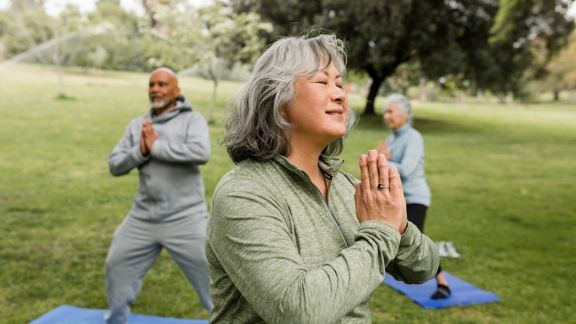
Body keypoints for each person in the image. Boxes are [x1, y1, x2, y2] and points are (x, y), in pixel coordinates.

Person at [206, 34, 439, 323]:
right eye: (322, 81)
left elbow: (424, 267)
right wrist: (380, 232)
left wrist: (399, 225)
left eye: (340, 83)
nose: (340, 94)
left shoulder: (348, 188)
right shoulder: (244, 193)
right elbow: (298, 309)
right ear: (278, 100)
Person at [104, 67, 213, 324]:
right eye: (152, 85)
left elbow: (201, 152)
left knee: (213, 278)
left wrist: (156, 146)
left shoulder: (192, 120)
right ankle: (116, 320)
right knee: (116, 264)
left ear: (177, 90)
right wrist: (140, 151)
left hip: (186, 217)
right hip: (142, 217)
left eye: (163, 84)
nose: (156, 89)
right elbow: (115, 165)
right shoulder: (137, 126)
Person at [378, 93, 451, 299]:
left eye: (391, 111)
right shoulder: (392, 138)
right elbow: (389, 169)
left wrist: (383, 159)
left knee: (418, 241)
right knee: (393, 235)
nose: (386, 116)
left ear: (405, 114)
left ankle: (443, 284)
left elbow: (407, 170)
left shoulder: (414, 138)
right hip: (398, 198)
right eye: (385, 111)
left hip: (416, 196)